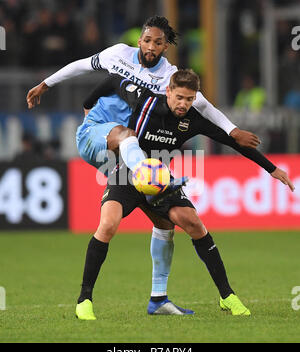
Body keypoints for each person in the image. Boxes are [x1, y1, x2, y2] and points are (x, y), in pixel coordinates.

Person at [26, 16, 261, 316]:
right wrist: (46, 84)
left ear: (165, 47)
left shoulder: (170, 76)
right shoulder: (118, 55)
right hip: (103, 137)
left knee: (167, 224)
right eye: (147, 40)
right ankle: (85, 298)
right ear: (140, 40)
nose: (151, 46)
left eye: (158, 43)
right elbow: (82, 65)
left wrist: (231, 130)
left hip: (129, 152)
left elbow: (203, 106)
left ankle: (159, 299)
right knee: (127, 140)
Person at [74, 69, 295, 320]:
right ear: (168, 91)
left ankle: (226, 296)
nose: (183, 104)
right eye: (179, 97)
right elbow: (114, 80)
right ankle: (84, 300)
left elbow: (233, 142)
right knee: (108, 224)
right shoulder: (145, 102)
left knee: (193, 223)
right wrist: (88, 106)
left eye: (189, 99)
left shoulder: (193, 120)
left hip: (160, 176)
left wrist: (272, 168)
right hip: (127, 172)